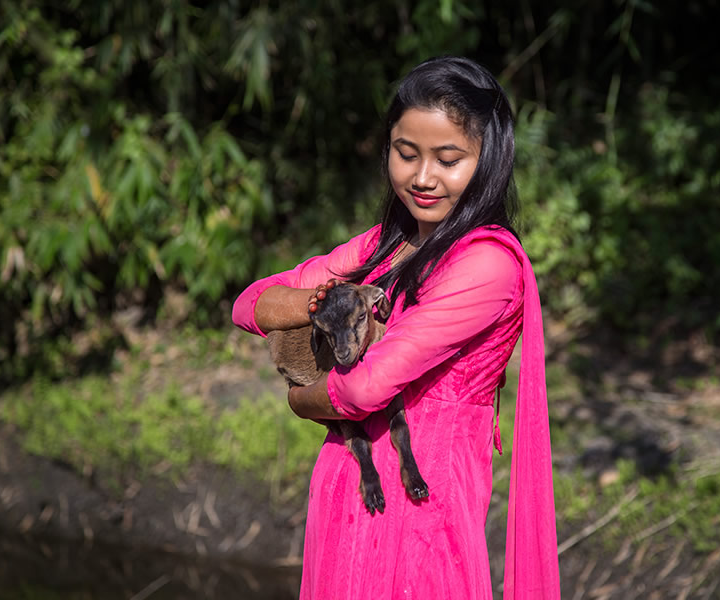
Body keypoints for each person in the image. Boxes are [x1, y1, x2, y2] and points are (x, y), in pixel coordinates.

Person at [232, 55, 560, 600]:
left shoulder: (487, 263)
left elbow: (363, 387)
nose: (423, 177)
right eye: (406, 154)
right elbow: (249, 304)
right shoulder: (384, 243)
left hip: (422, 513)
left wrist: (298, 401)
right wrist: (322, 303)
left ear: (490, 161)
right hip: (348, 490)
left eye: (448, 159)